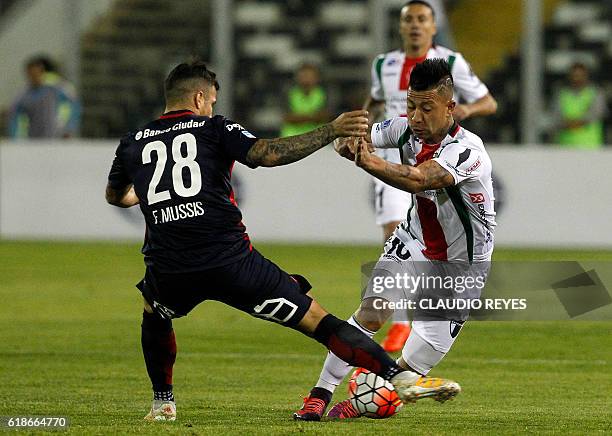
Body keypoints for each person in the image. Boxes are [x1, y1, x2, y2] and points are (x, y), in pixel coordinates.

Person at [105, 61, 461, 422]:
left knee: (155, 314)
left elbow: (117, 196)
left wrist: (149, 194)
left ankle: (163, 404)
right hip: (232, 264)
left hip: (171, 269)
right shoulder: (214, 128)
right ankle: (396, 376)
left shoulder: (132, 143)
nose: (211, 107)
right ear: (199, 97)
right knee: (321, 323)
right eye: (211, 100)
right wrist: (330, 130)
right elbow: (266, 154)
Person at [295, 59, 495, 420]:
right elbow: (360, 136)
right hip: (414, 239)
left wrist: (367, 162)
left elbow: (419, 179)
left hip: (461, 265)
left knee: (412, 366)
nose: (416, 117)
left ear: (450, 107)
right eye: (411, 106)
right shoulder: (405, 129)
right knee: (371, 312)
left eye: (426, 108)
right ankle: (318, 396)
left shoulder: (468, 152)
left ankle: (358, 406)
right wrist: (350, 140)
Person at [364, 0, 497, 352]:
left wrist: (464, 109)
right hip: (392, 160)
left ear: (433, 27)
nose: (415, 26)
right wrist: (360, 129)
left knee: (434, 237)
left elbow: (489, 102)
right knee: (394, 236)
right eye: (409, 20)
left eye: (422, 20)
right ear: (401, 26)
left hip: (438, 161)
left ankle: (419, 316)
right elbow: (375, 104)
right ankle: (401, 323)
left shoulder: (451, 62)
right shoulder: (384, 65)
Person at [7, 55, 80, 138]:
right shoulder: (23, 96)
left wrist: (69, 127)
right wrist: (15, 138)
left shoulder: (54, 89)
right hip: (33, 140)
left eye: (36, 73)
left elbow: (74, 104)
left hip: (55, 137)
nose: (34, 77)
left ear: (42, 72)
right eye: (31, 74)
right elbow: (13, 118)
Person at [552, 62, 606, 148]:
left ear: (586, 76)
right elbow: (556, 116)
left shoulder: (595, 93)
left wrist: (574, 123)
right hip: (565, 146)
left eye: (580, 75)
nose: (577, 78)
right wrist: (570, 123)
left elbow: (596, 114)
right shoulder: (562, 94)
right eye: (574, 75)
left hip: (589, 146)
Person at [280, 63, 330, 137]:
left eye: (310, 76)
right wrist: (313, 117)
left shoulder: (324, 93)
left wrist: (299, 117)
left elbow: (326, 116)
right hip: (291, 138)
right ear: (297, 77)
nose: (306, 79)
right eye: (303, 76)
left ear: (317, 78)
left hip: (318, 137)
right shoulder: (289, 93)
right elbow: (287, 117)